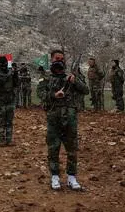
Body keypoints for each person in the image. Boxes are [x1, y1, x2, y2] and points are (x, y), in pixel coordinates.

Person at [37, 50, 87, 191]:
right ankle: (55, 176)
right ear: (51, 60)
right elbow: (40, 93)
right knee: (53, 148)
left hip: (70, 118)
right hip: (53, 118)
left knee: (71, 148)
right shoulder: (45, 78)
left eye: (61, 59)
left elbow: (85, 90)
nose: (59, 61)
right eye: (56, 59)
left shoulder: (70, 77)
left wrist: (75, 81)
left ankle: (72, 177)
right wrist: (54, 95)